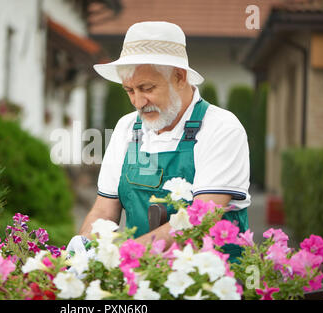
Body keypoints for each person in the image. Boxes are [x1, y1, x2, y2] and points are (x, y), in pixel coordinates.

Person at [67, 21, 250, 263]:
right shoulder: (126, 128)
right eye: (129, 90)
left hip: (211, 279)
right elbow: (104, 211)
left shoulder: (221, 128)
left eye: (147, 88)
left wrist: (122, 255)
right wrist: (83, 247)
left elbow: (202, 219)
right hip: (142, 277)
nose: (138, 102)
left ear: (179, 77)